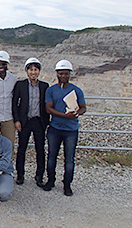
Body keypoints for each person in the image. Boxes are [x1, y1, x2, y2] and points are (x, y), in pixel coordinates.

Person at [43, 60, 86, 196]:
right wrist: (65, 115)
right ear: (57, 74)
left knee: (69, 159)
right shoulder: (51, 90)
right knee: (51, 157)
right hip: (55, 128)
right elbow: (48, 108)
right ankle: (51, 181)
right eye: (61, 73)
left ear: (69, 74)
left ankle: (67, 184)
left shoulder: (76, 90)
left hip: (71, 130)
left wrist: (77, 113)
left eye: (66, 73)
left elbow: (83, 107)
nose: (63, 76)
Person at [12, 58, 49, 187]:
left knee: (40, 150)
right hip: (25, 121)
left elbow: (47, 105)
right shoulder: (20, 85)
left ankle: (39, 176)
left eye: (35, 69)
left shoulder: (44, 86)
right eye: (31, 69)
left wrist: (46, 122)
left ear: (39, 71)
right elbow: (15, 103)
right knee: (22, 149)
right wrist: (17, 120)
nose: (33, 72)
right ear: (27, 71)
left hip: (39, 122)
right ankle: (20, 174)